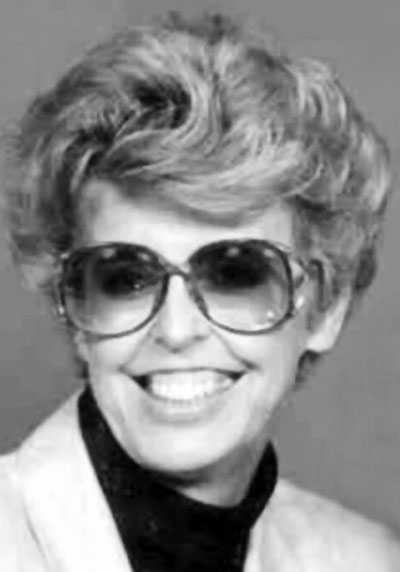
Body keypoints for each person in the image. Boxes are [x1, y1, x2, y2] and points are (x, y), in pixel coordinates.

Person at [0, 10, 399, 571]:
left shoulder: (365, 559)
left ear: (326, 307)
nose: (176, 330)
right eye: (125, 278)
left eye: (236, 273)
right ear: (74, 309)